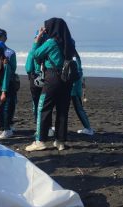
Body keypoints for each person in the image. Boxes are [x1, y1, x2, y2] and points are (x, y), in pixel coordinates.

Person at [25, 17, 77, 151]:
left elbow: (35, 55)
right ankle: (60, 142)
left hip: (52, 78)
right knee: (62, 111)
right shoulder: (70, 42)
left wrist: (37, 40)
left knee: (44, 108)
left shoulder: (51, 43)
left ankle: (40, 141)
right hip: (67, 79)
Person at [25, 30, 55, 137]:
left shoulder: (34, 50)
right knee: (47, 105)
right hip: (49, 78)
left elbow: (28, 67)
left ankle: (40, 128)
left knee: (37, 105)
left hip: (36, 79)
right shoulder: (49, 49)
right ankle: (49, 128)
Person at [0, 28, 18, 132]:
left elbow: (12, 69)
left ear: (5, 38)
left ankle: (7, 128)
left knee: (7, 108)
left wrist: (4, 89)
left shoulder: (10, 53)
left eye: (0, 36)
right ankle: (1, 127)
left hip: (8, 84)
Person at [70, 43, 94, 136]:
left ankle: (88, 128)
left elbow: (77, 74)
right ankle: (87, 128)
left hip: (74, 89)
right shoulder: (77, 60)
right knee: (78, 109)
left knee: (79, 109)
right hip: (76, 89)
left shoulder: (74, 61)